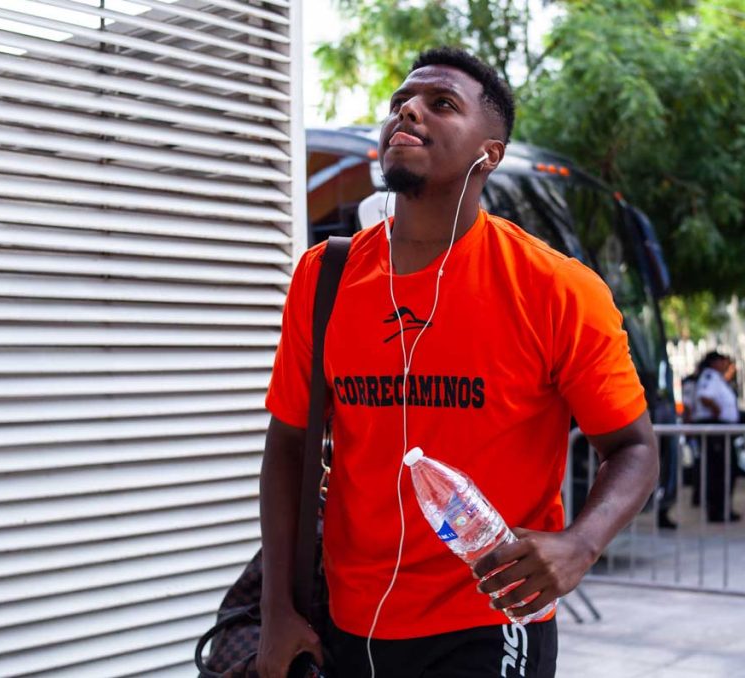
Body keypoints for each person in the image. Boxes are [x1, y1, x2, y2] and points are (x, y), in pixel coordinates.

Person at [257, 47, 658, 678]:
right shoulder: (323, 276)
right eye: (399, 104)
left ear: (488, 153)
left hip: (490, 618)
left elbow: (633, 448)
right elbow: (287, 444)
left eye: (440, 104)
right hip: (341, 621)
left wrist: (581, 544)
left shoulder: (557, 289)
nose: (407, 111)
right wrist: (278, 607)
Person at [691, 351, 741, 522]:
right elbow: (705, 397)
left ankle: (723, 509)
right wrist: (717, 411)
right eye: (721, 361)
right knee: (718, 471)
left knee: (724, 470)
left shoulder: (717, 378)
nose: (724, 364)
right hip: (716, 429)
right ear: (713, 362)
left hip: (720, 429)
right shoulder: (710, 376)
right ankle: (717, 510)